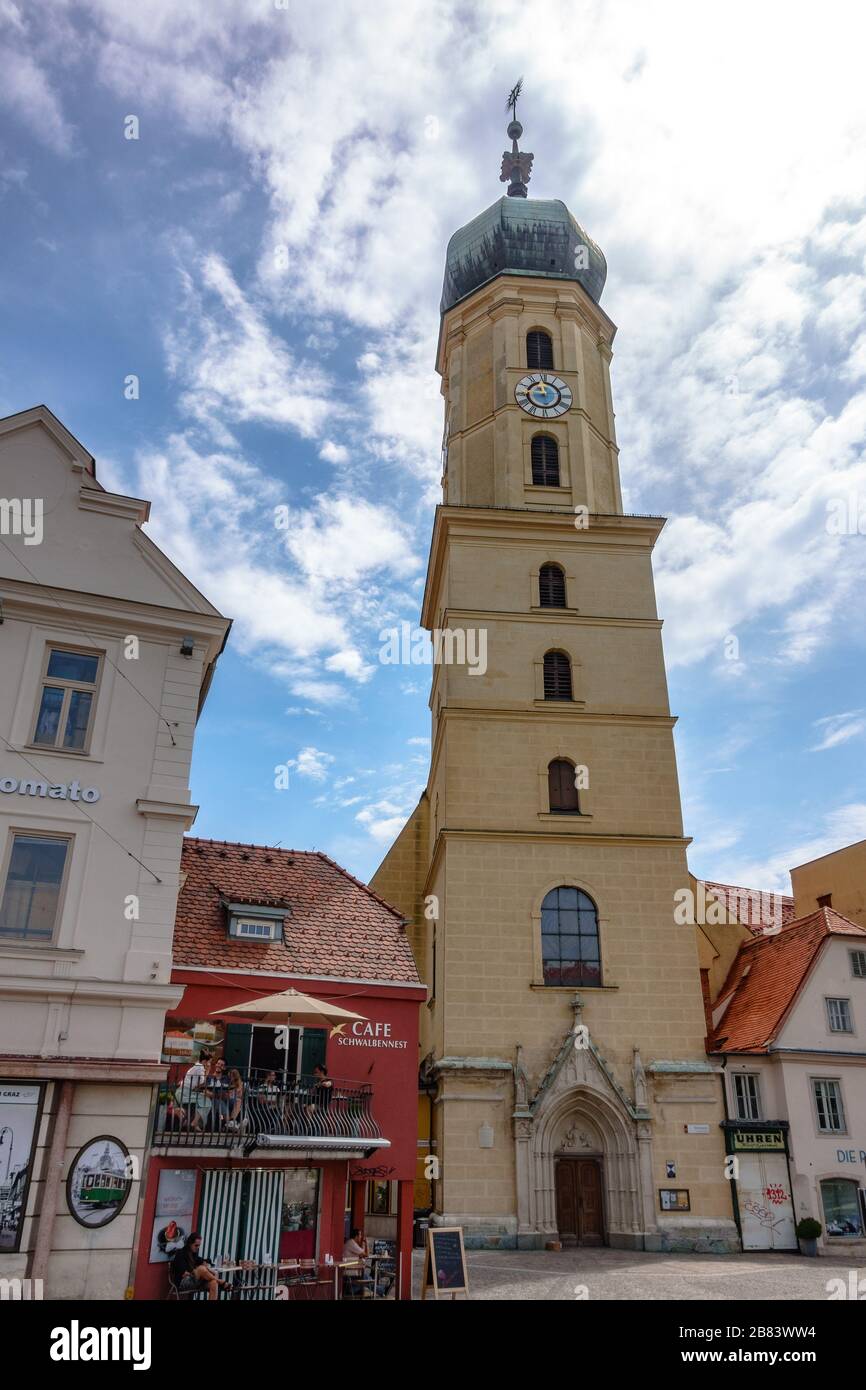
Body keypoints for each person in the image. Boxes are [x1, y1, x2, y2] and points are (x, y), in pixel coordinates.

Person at [170, 1232, 230, 1301]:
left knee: (213, 1283)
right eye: (196, 1245)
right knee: (201, 1269)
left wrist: (206, 1264)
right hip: (183, 1282)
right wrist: (198, 1271)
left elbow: (203, 1260)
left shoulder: (194, 1254)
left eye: (199, 1246)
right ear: (190, 1244)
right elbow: (183, 1273)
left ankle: (218, 1281)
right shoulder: (181, 1253)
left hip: (195, 1281)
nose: (198, 1248)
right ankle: (221, 1282)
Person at [175, 1052, 211, 1132]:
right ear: (205, 1061)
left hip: (181, 1092)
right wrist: (207, 1071)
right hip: (185, 1093)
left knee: (200, 1100)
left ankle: (187, 1122)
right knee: (207, 1102)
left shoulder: (196, 1066)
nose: (209, 1064)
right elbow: (202, 1082)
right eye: (209, 1062)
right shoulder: (200, 1067)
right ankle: (194, 1123)